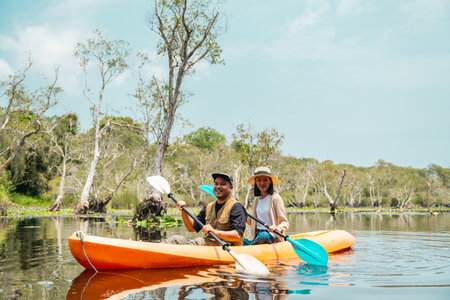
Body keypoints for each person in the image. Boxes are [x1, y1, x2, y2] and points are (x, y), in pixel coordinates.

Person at [164, 172, 247, 246]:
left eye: (223, 184)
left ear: (231, 188)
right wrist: (184, 211)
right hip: (208, 242)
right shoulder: (209, 207)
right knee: (176, 239)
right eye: (216, 184)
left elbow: (237, 236)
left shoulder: (237, 207)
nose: (218, 187)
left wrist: (214, 232)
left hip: (226, 245)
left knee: (197, 242)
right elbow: (192, 228)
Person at [244, 167, 289, 246]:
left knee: (264, 235)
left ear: (270, 181)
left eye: (265, 180)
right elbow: (252, 222)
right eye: (259, 180)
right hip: (257, 235)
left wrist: (278, 228)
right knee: (241, 239)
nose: (262, 183)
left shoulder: (275, 198)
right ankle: (251, 245)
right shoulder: (256, 200)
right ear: (256, 182)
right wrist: (242, 215)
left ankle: (251, 246)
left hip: (271, 236)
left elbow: (284, 222)